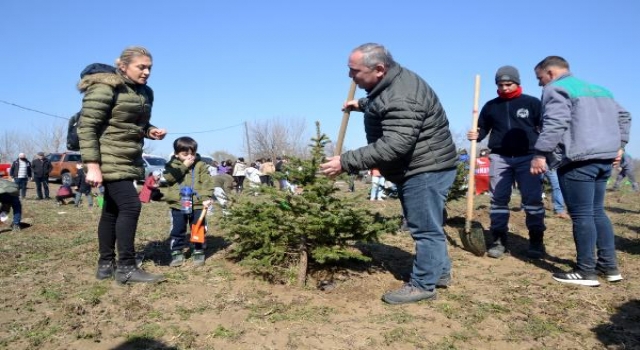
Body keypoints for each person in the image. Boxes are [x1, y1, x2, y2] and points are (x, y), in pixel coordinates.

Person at [320, 43, 458, 304]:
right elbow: (383, 103)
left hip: (425, 169)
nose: (351, 77)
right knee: (431, 225)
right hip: (423, 165)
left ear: (379, 69)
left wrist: (345, 162)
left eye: (355, 71)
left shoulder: (403, 95)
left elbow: (395, 144)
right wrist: (361, 103)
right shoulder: (390, 84)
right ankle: (439, 273)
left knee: (425, 229)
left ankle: (423, 285)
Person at [531, 56, 631, 286]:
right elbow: (624, 116)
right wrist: (620, 144)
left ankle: (586, 271)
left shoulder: (556, 88)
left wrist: (540, 153)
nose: (540, 84)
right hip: (604, 159)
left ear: (551, 73)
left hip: (578, 160)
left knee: (582, 215)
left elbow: (555, 123)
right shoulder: (599, 89)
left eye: (540, 78)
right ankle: (609, 266)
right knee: (597, 211)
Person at [78, 46, 167, 284]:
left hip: (128, 156)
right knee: (130, 206)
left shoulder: (145, 92)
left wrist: (151, 131)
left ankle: (106, 264)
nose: (146, 71)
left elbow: (133, 123)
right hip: (108, 156)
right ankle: (126, 267)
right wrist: (92, 164)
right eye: (141, 67)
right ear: (122, 65)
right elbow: (87, 126)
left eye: (149, 67)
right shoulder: (106, 87)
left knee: (112, 210)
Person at [467, 65, 546, 259]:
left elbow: (545, 127)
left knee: (533, 200)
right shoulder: (491, 106)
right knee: (498, 200)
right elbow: (483, 129)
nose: (504, 88)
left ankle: (536, 240)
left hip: (528, 157)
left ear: (517, 83)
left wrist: (542, 151)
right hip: (500, 157)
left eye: (508, 84)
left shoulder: (532, 103)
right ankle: (499, 239)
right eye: (500, 85)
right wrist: (477, 134)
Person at [163, 137, 214, 267]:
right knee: (178, 229)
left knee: (197, 227)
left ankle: (198, 249)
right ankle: (177, 251)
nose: (190, 157)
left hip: (197, 203)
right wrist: (184, 166)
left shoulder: (200, 165)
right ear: (176, 154)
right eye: (185, 154)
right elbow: (168, 178)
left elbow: (207, 182)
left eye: (192, 153)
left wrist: (206, 197)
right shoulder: (171, 165)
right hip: (178, 204)